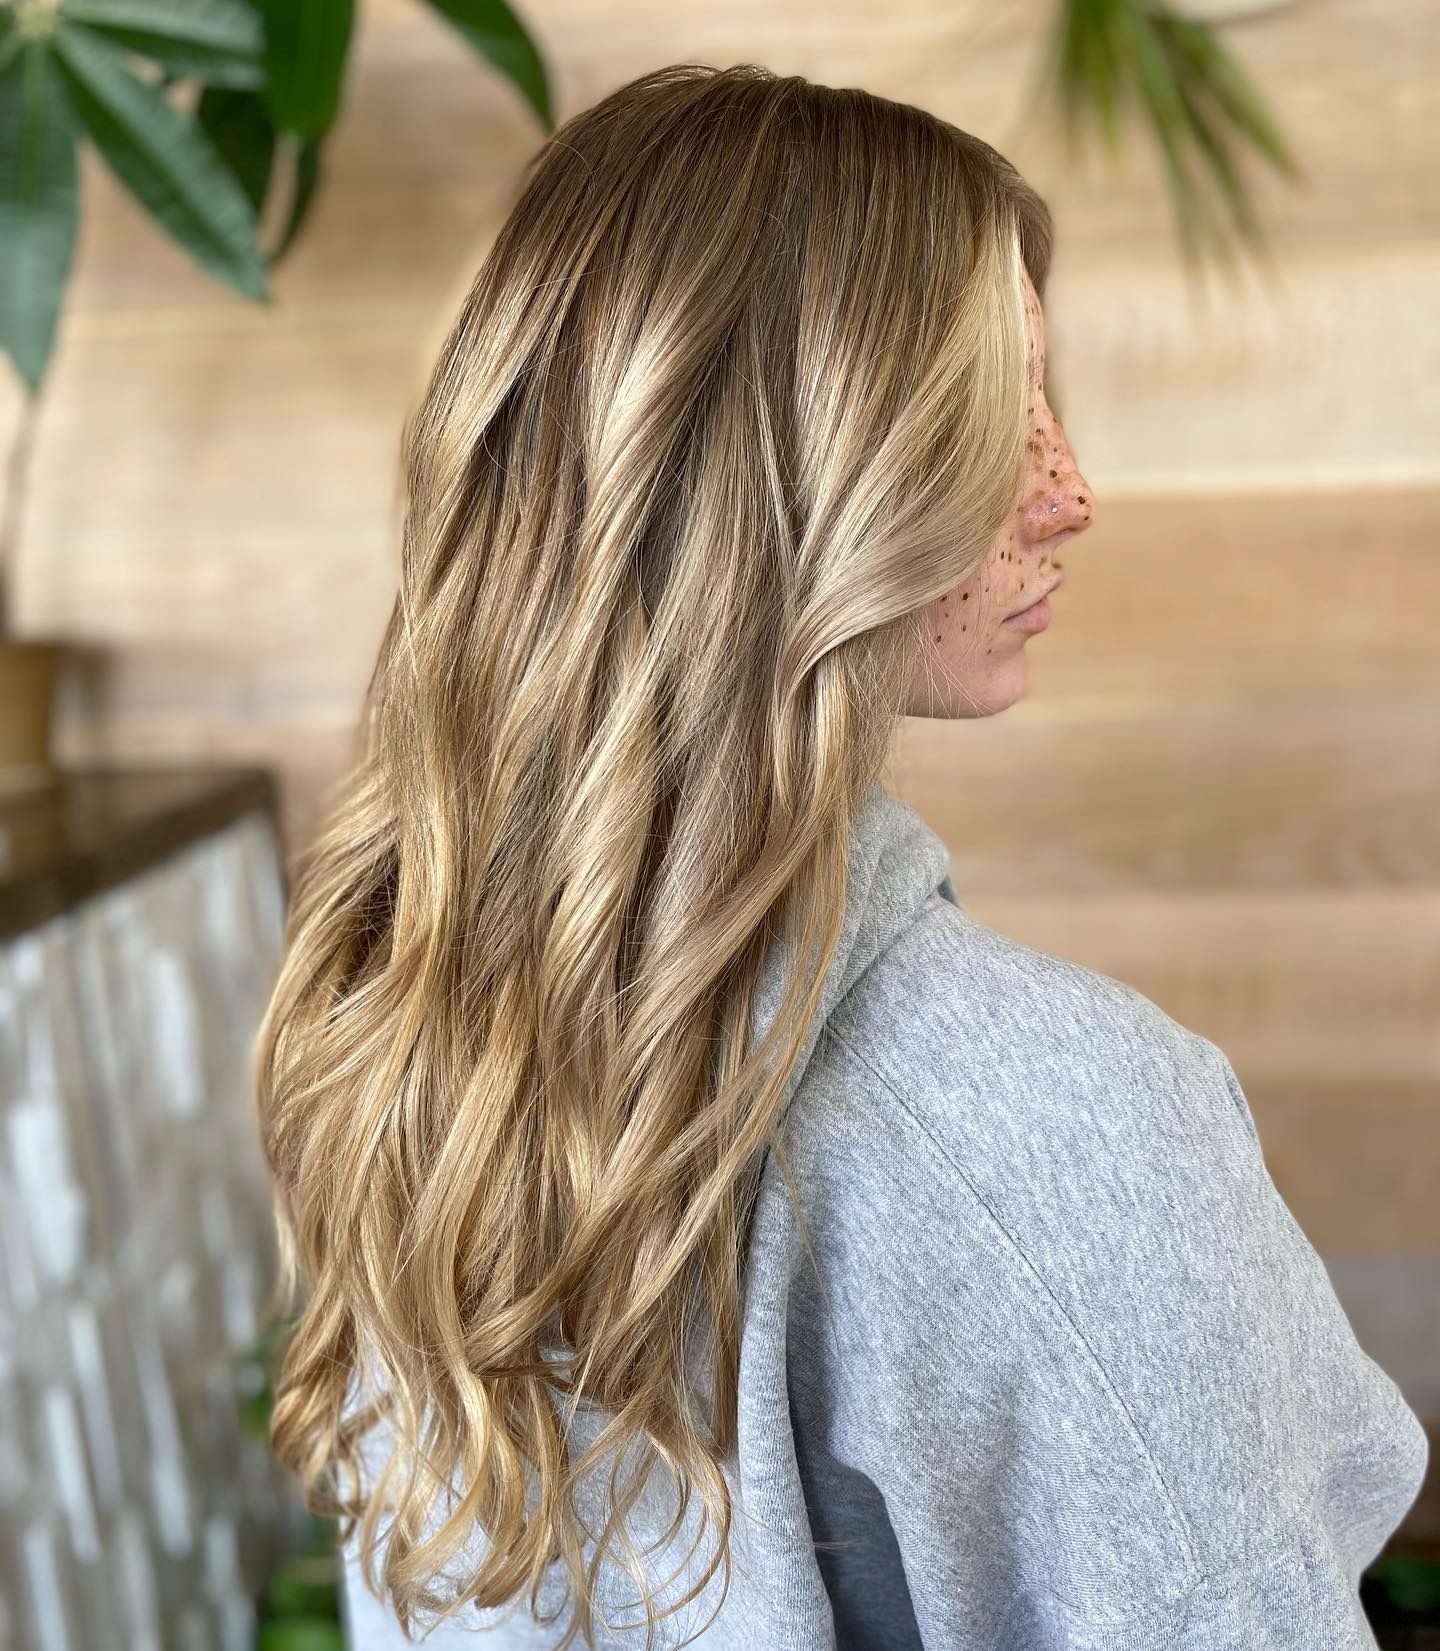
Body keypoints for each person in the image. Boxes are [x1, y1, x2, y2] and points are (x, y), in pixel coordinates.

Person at [252, 62, 1428, 1650]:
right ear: (788, 487)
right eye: (991, 415)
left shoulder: (393, 1032)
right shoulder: (1059, 1115)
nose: (1070, 491)